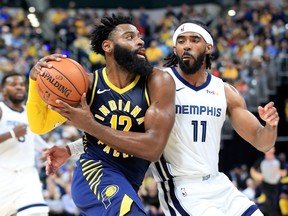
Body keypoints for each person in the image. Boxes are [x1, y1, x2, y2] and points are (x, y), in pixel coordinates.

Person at [42, 20, 279, 216]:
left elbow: (263, 142)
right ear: (174, 49)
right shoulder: (157, 82)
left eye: (194, 40)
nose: (186, 46)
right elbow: (122, 123)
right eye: (181, 41)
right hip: (183, 188)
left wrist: (270, 126)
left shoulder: (225, 91)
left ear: (208, 47)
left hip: (219, 182)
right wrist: (73, 148)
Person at [26, 14, 175, 215]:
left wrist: (78, 139)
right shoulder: (85, 85)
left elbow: (153, 148)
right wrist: (35, 82)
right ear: (108, 46)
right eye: (129, 37)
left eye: (139, 37)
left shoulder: (157, 81)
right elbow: (39, 126)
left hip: (129, 181)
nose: (140, 41)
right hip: (93, 174)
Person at [0, 73, 50, 215]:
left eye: (22, 85)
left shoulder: (29, 112)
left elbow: (33, 137)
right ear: (3, 90)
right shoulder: (1, 109)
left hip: (28, 177)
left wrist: (47, 149)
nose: (19, 88)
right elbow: (18, 133)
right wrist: (11, 134)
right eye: (13, 85)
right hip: (3, 176)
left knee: (37, 212)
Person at [250, 147, 287, 216]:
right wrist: (258, 176)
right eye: (268, 150)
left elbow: (285, 172)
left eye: (271, 149)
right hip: (265, 184)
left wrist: (278, 171)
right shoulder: (261, 160)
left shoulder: (278, 160)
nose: (269, 151)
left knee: (274, 202)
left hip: (276, 185)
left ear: (274, 150)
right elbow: (252, 170)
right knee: (269, 202)